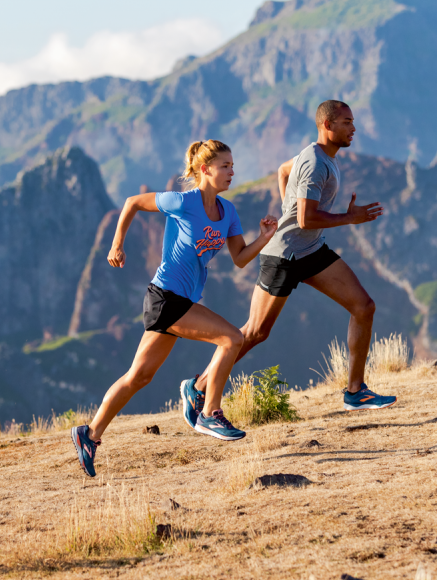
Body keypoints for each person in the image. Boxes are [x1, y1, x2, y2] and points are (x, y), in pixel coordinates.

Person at [71, 139, 279, 477]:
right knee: (232, 339)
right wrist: (117, 244)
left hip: (182, 301)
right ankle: (209, 410)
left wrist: (264, 238)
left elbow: (240, 259)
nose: (231, 171)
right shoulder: (182, 202)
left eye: (232, 165)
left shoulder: (228, 212)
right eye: (224, 166)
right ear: (204, 169)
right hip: (164, 297)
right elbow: (132, 203)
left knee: (139, 376)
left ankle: (89, 434)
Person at [180, 100, 394, 425]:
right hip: (284, 257)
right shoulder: (314, 162)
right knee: (254, 333)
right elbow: (307, 218)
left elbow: (282, 172)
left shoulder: (321, 157)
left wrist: (286, 213)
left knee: (364, 306)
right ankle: (198, 387)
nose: (354, 128)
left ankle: (355, 391)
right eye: (347, 122)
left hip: (310, 250)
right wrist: (347, 218)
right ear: (327, 125)